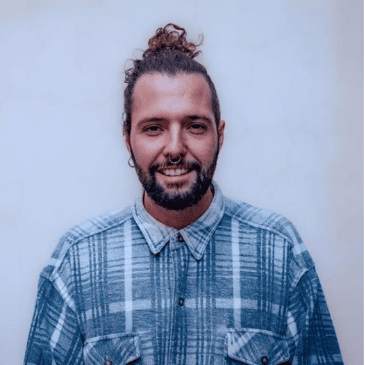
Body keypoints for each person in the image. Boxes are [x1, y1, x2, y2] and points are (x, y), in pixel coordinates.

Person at [24, 23, 344, 365]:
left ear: (219, 135)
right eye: (153, 128)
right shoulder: (77, 262)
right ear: (126, 136)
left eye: (195, 126)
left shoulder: (279, 252)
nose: (174, 148)